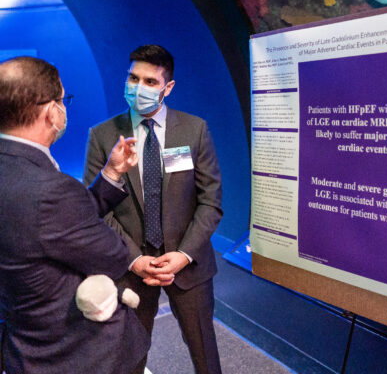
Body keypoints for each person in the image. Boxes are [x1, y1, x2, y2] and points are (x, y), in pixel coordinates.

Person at [0, 56, 150, 374]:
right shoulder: (52, 190)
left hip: (24, 348)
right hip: (78, 353)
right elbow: (112, 256)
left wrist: (110, 174)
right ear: (50, 111)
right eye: (62, 99)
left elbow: (50, 227)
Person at [84, 44, 223, 374]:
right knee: (129, 360)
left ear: (168, 87)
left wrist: (183, 254)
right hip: (130, 267)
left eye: (150, 81)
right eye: (133, 78)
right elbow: (98, 210)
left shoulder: (194, 130)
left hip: (188, 266)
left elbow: (210, 201)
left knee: (205, 355)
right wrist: (135, 259)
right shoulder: (103, 136)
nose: (139, 88)